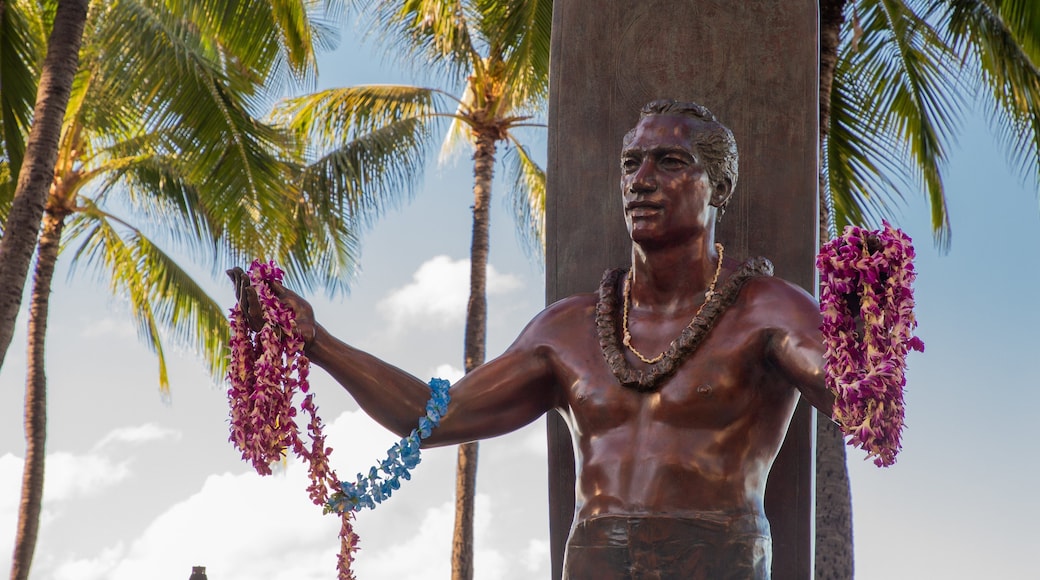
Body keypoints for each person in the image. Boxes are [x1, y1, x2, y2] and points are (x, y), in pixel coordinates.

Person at [230, 99, 835, 579]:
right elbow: (430, 417)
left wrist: (873, 327)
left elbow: (853, 399)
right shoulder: (569, 328)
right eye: (631, 164)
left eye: (670, 163)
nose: (642, 181)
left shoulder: (767, 310)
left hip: (717, 560)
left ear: (718, 186)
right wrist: (317, 341)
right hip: (594, 562)